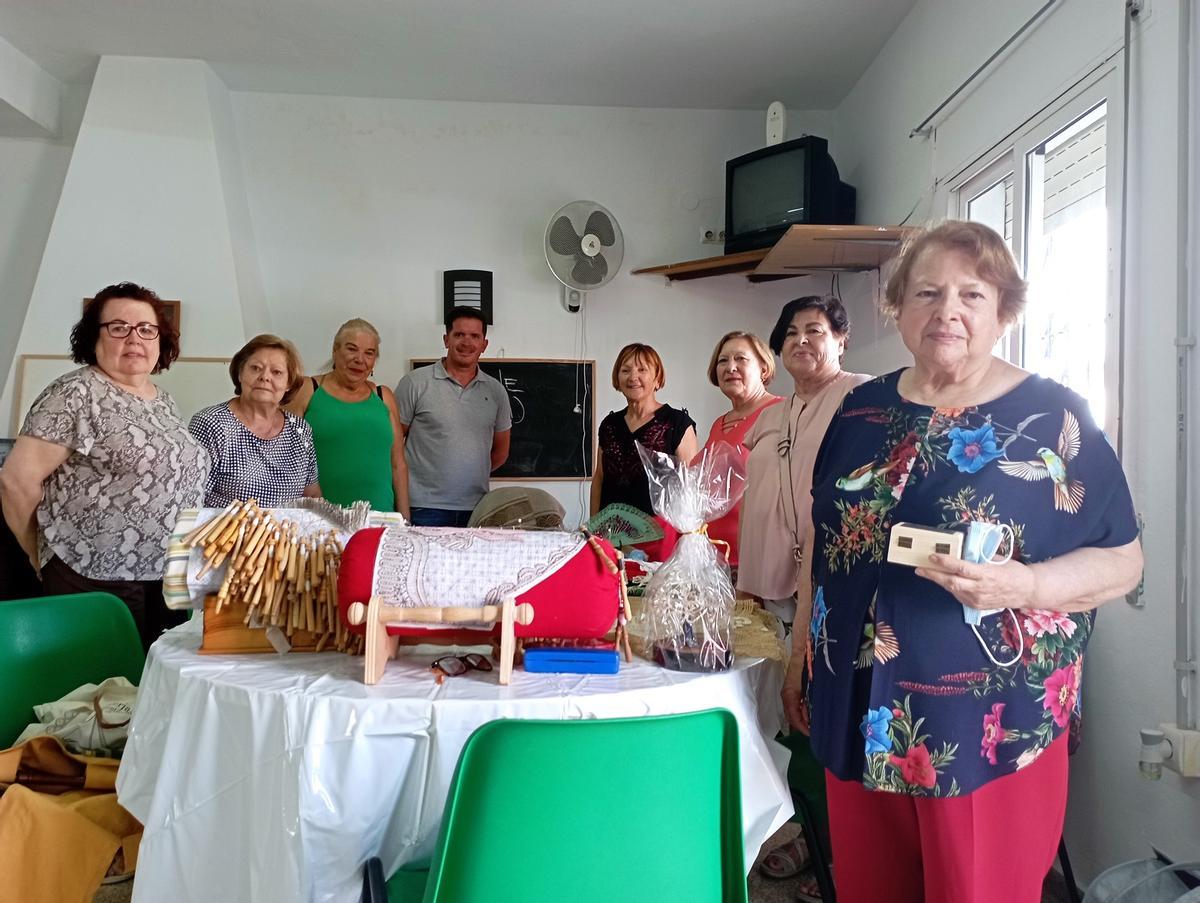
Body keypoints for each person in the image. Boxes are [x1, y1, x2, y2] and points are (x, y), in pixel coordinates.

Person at [798, 221, 1142, 903]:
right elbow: (825, 531)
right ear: (898, 305)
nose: (946, 310)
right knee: (872, 890)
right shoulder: (861, 409)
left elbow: (1124, 560)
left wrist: (1028, 582)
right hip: (858, 702)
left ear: (1004, 310)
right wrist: (799, 646)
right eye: (927, 292)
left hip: (987, 721)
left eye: (971, 294)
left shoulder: (1051, 417)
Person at [738, 297, 870, 889]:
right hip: (780, 586)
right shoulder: (774, 413)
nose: (801, 340)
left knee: (830, 715)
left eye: (815, 330)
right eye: (789, 332)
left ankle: (844, 854)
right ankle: (807, 833)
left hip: (840, 589)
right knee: (788, 713)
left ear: (841, 340)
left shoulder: (862, 399)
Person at [0, 283, 209, 650]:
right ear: (93, 338)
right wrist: (40, 556)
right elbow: (16, 482)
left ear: (161, 340)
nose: (134, 338)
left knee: (154, 685)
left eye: (146, 329)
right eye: (118, 327)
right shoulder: (75, 393)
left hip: (164, 573)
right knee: (103, 694)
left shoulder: (162, 402)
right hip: (91, 573)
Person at [394, 307, 512, 527]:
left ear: (484, 344)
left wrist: (467, 472)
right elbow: (392, 444)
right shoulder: (415, 383)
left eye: (475, 336)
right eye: (459, 335)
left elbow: (501, 452)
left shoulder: (496, 392)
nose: (467, 342)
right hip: (422, 508)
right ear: (446, 339)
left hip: (477, 509)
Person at [287, 318, 409, 517]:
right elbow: (283, 456)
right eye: (352, 349)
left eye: (369, 353)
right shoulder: (307, 390)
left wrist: (405, 520)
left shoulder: (383, 396)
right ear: (335, 351)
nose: (360, 359)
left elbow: (398, 464)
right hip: (319, 520)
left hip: (380, 517)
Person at [189, 335, 320, 508]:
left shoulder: (300, 429)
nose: (265, 377)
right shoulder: (210, 424)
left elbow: (312, 496)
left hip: (286, 533)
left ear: (288, 383)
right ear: (240, 373)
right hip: (225, 532)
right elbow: (191, 501)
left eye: (277, 372)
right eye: (256, 368)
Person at [700, 331, 782, 579]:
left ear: (764, 368)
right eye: (722, 361)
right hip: (712, 556)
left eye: (741, 359)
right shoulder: (719, 423)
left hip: (756, 560)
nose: (730, 367)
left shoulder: (780, 412)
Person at [591, 343, 698, 521]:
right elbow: (599, 479)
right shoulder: (609, 424)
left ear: (657, 378)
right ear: (617, 379)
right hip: (611, 534)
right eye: (625, 370)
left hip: (659, 536)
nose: (633, 377)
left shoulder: (677, 423)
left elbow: (690, 486)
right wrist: (593, 526)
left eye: (642, 370)